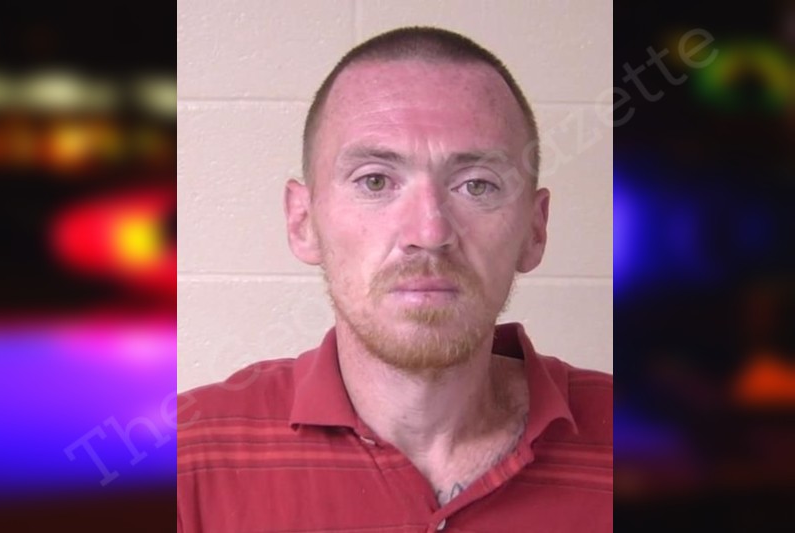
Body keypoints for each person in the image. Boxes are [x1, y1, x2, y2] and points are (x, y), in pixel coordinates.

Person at [177, 26, 612, 532]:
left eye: (477, 185)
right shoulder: (181, 461)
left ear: (535, 230)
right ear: (302, 221)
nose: (429, 233)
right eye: (376, 180)